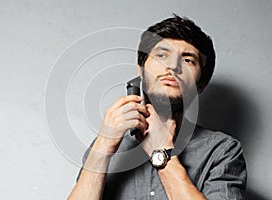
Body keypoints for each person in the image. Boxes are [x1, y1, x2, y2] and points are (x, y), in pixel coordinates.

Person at [68, 14, 247, 200]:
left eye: (188, 60)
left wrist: (162, 151)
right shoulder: (107, 143)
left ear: (200, 85)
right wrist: (103, 146)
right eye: (161, 55)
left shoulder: (222, 151)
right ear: (141, 71)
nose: (172, 66)